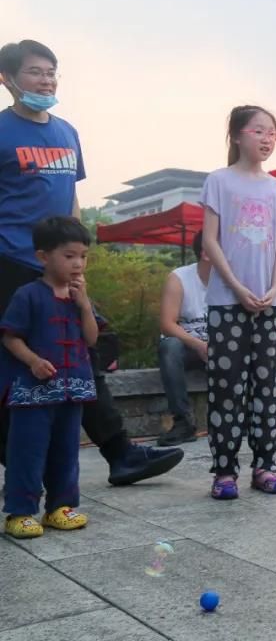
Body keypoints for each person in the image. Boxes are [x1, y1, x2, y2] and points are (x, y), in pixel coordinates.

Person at [0, 39, 183, 487]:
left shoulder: (67, 132)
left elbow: (71, 199)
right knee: (17, 364)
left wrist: (78, 255)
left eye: (51, 71)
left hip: (59, 268)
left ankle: (121, 454)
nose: (46, 80)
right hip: (11, 263)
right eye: (35, 72)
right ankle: (22, 465)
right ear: (7, 79)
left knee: (81, 356)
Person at [200, 105, 276, 500]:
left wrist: (274, 288)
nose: (267, 138)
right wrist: (237, 287)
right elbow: (210, 242)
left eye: (273, 133)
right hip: (227, 303)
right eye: (259, 131)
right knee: (226, 387)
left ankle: (265, 466)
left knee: (267, 387)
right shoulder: (219, 181)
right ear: (237, 136)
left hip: (267, 304)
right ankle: (224, 471)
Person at [1, 217, 99, 539]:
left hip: (74, 390)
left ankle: (60, 507)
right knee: (27, 451)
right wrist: (33, 361)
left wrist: (84, 306)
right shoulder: (28, 295)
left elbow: (92, 338)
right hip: (34, 393)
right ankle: (20, 511)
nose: (78, 263)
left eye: (83, 256)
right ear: (44, 257)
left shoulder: (79, 296)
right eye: (69, 256)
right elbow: (10, 337)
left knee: (67, 450)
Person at [156, 230, 210, 446]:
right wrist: (198, 345)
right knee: (169, 346)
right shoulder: (179, 278)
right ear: (206, 253)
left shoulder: (230, 279)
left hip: (221, 347)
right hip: (188, 347)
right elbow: (167, 324)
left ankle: (250, 416)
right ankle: (182, 421)